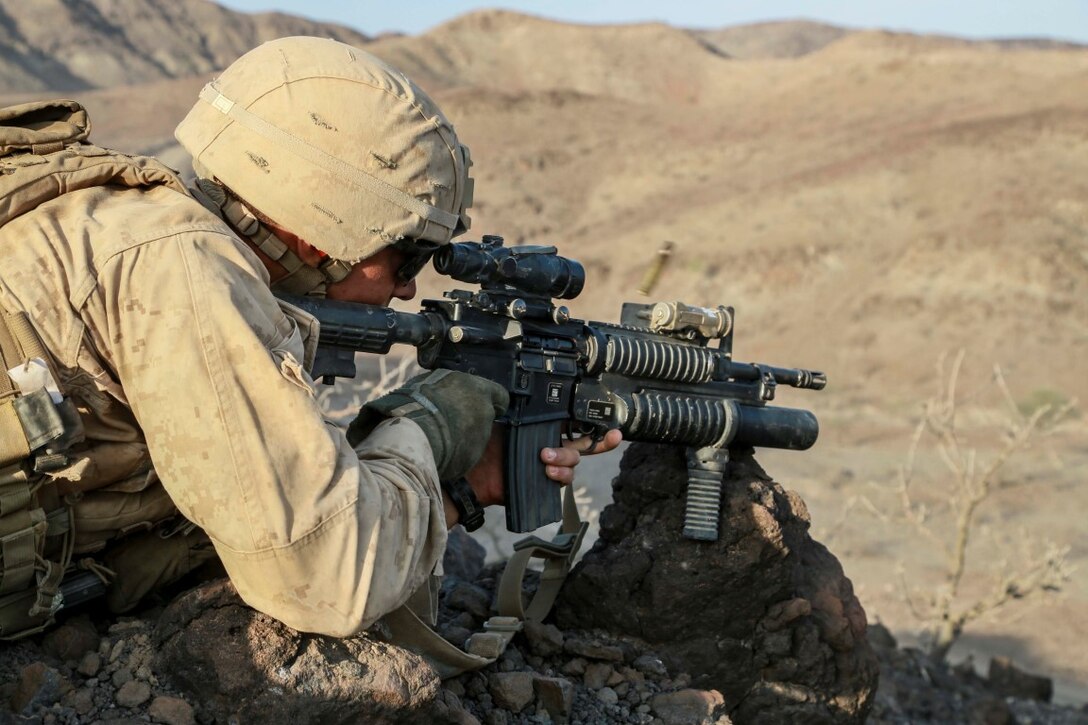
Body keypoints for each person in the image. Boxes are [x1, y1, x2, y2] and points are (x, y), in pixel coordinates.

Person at [0, 36, 619, 640]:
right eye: (407, 257)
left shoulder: (121, 218)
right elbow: (329, 579)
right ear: (325, 229)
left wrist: (458, 477)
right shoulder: (181, 269)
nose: (406, 291)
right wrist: (432, 433)